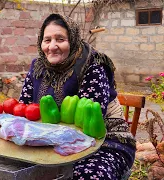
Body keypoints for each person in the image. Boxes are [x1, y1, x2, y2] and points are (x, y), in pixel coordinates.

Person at [19, 14, 136, 179]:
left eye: (60, 39)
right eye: (47, 40)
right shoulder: (38, 66)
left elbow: (89, 122)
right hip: (45, 141)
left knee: (87, 175)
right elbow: (22, 107)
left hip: (103, 141)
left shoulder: (92, 65)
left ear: (72, 39)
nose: (52, 47)